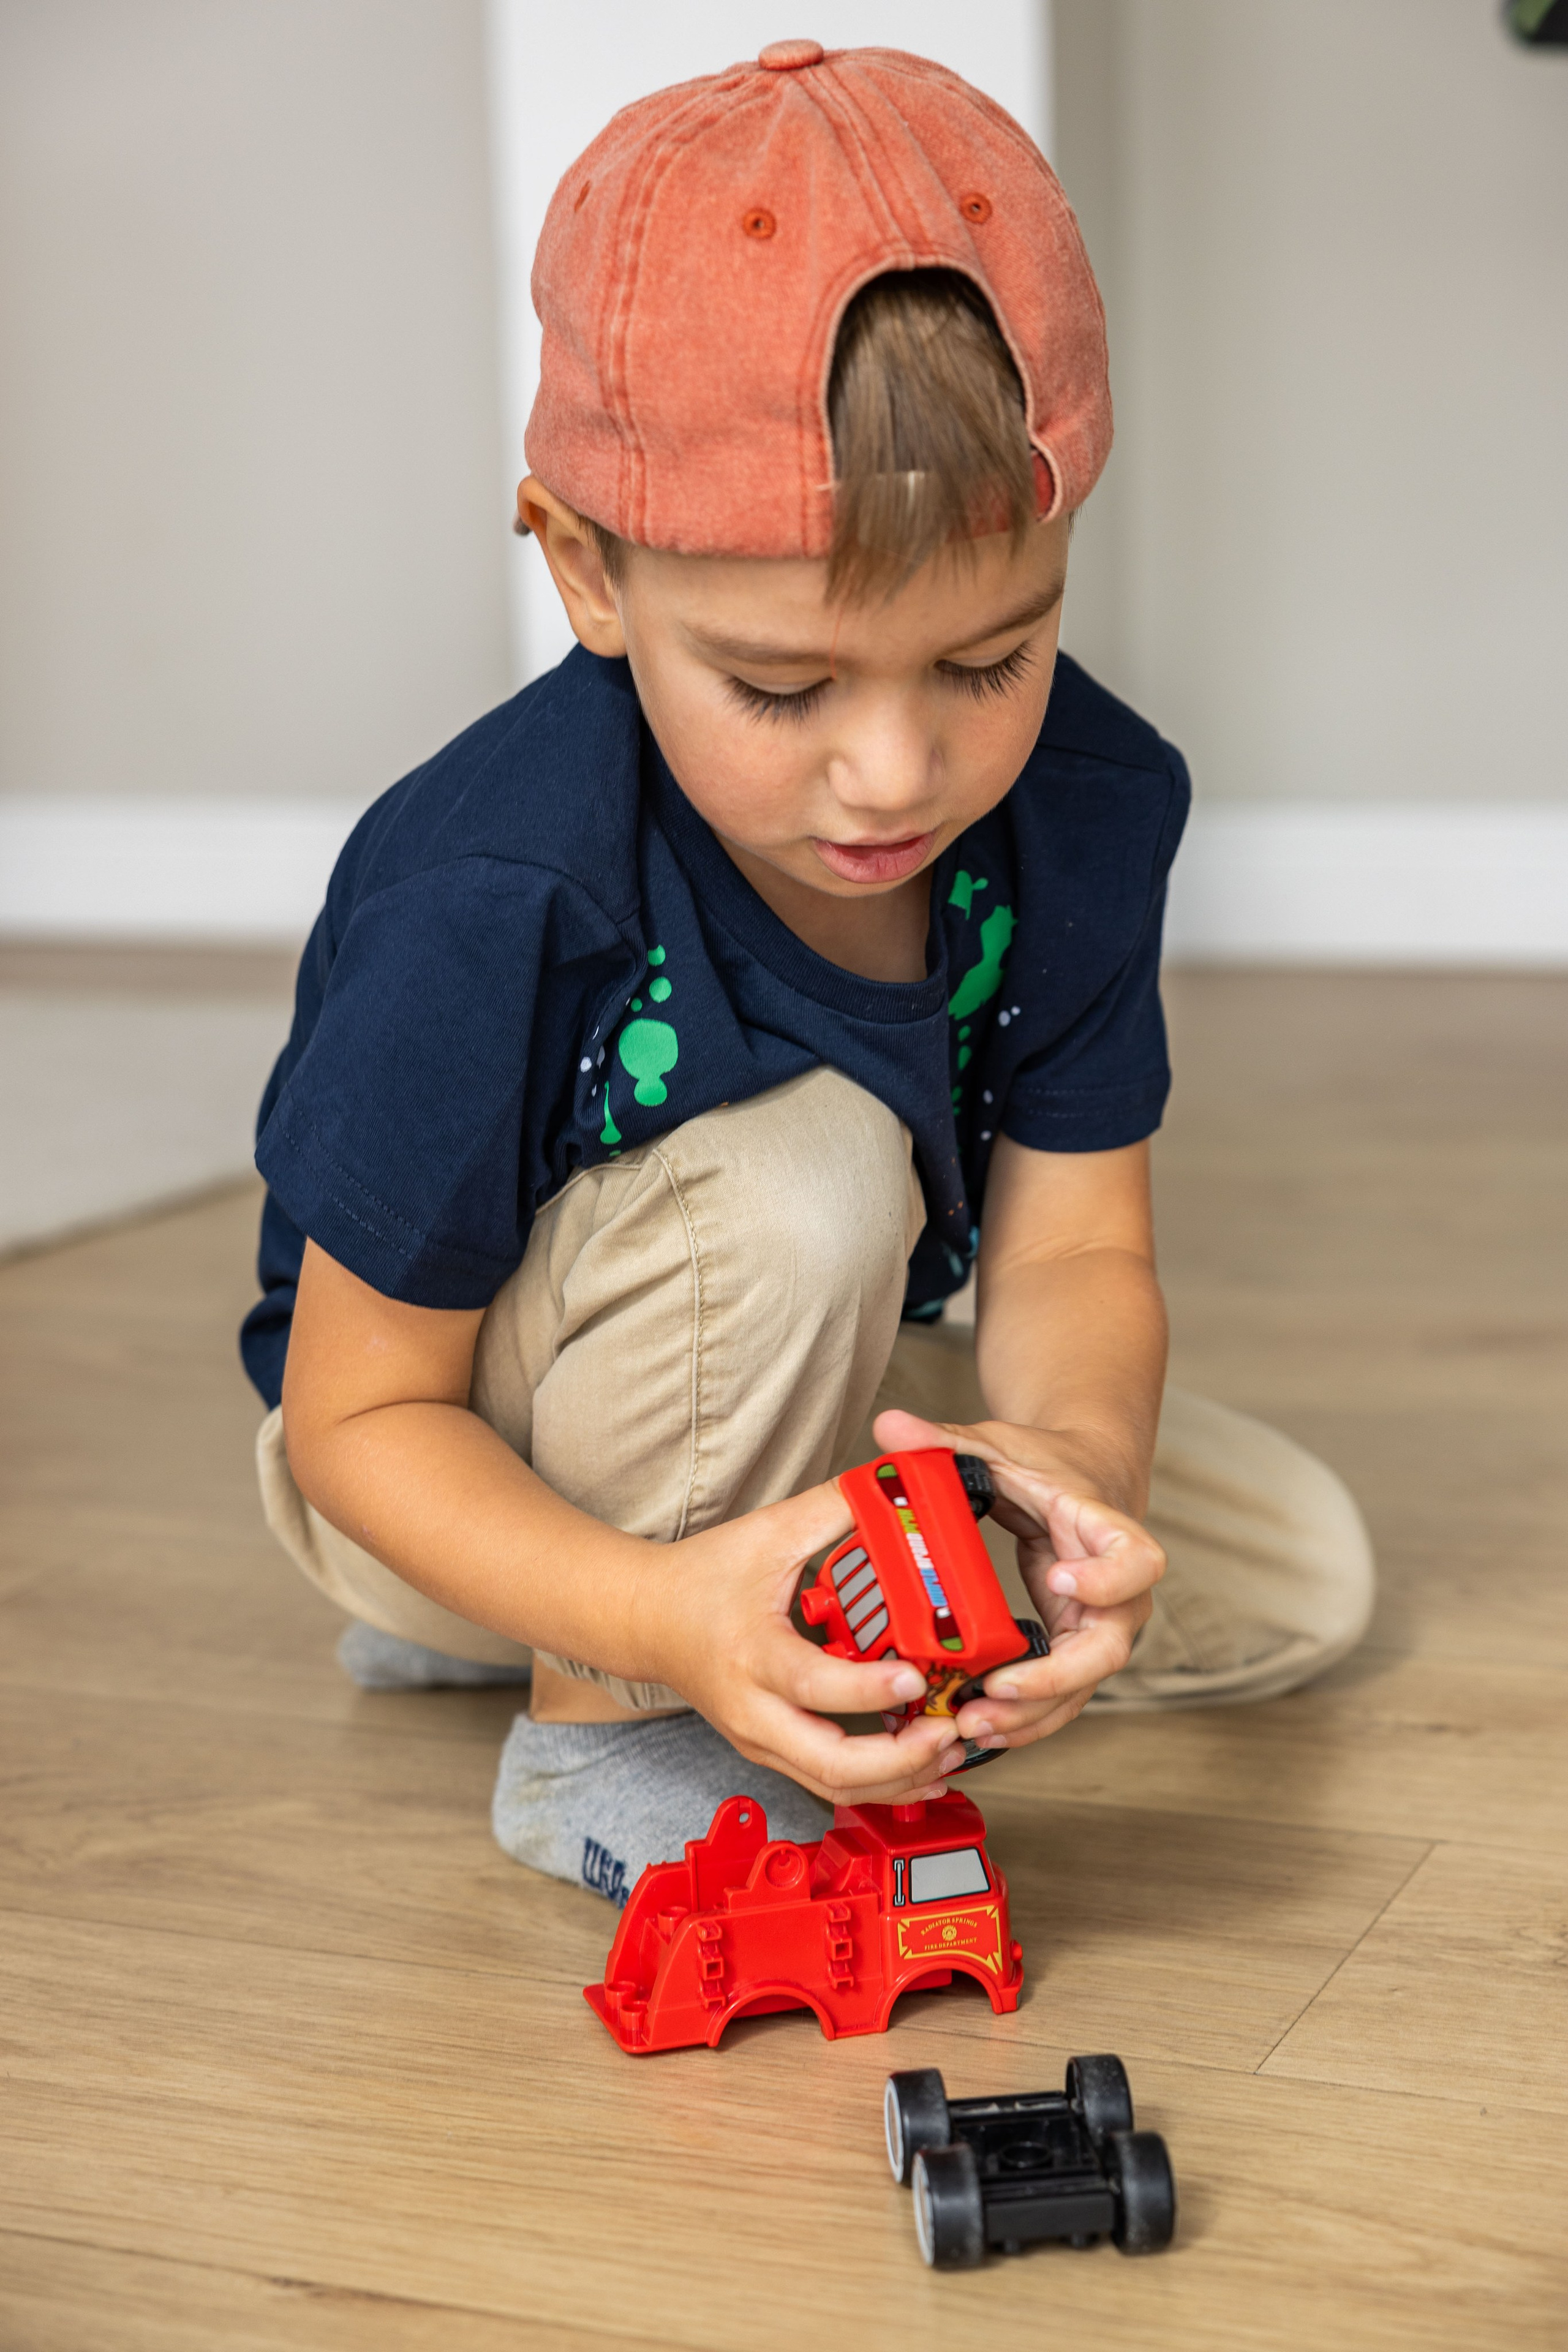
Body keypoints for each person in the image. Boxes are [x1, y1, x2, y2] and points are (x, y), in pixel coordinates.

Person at [241, 42, 1373, 1908]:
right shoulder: (496, 889)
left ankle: (620, 1599)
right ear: (590, 578)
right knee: (808, 1179)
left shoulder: (1093, 810)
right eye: (784, 688)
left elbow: (1078, 1254)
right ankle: (595, 1705)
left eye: (990, 661)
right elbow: (362, 1414)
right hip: (415, 1450)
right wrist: (649, 1612)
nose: (895, 774)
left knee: (1291, 1571)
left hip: (785, 1374)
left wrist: (1062, 1465)